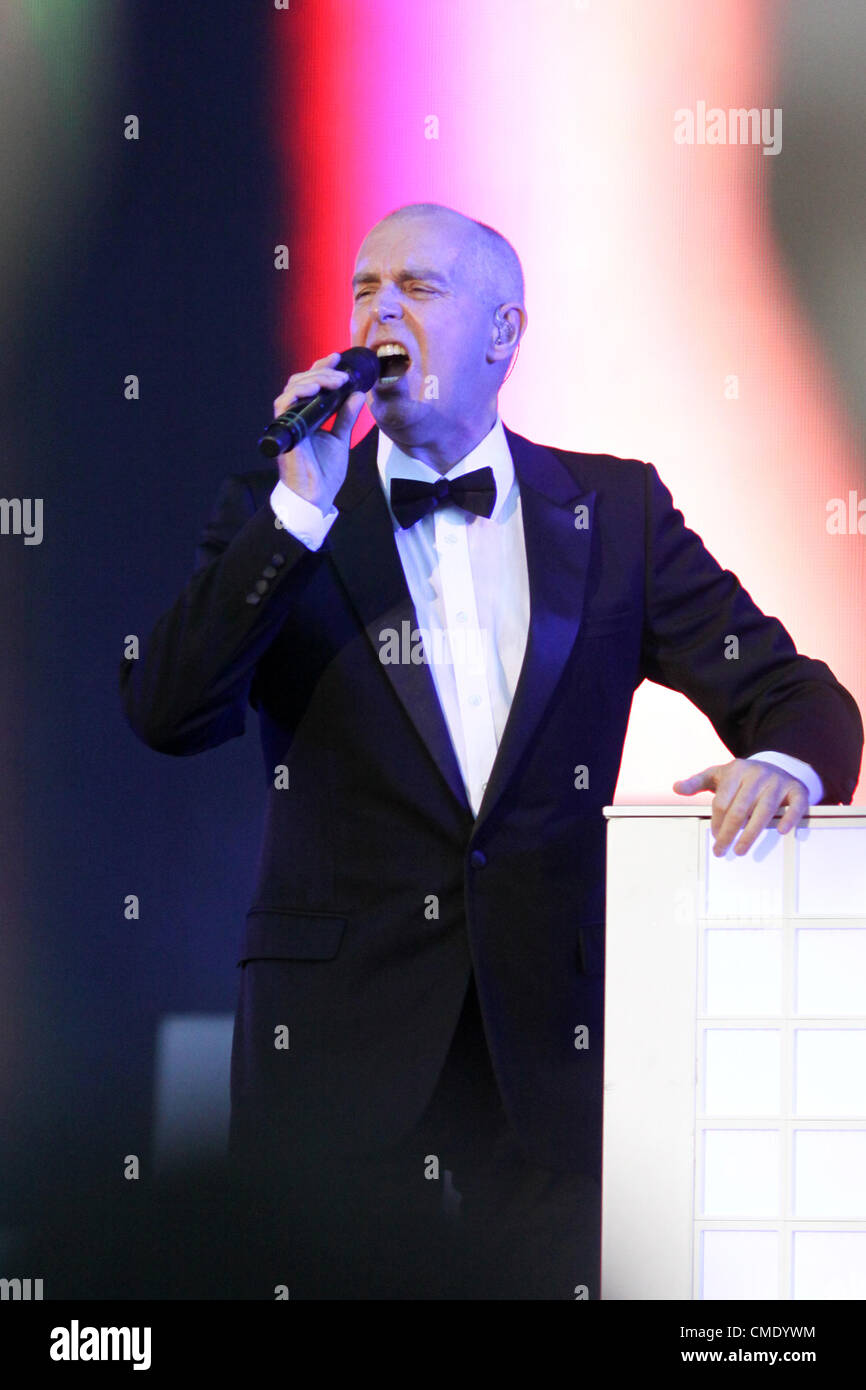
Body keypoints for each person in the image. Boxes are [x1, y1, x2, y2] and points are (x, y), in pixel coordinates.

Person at [120, 202, 863, 1299]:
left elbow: (796, 696)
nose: (380, 312)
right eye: (365, 289)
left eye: (417, 289)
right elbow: (167, 710)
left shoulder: (611, 512)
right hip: (337, 1057)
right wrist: (297, 517)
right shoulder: (285, 513)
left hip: (550, 1069)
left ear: (503, 333)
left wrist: (782, 767)